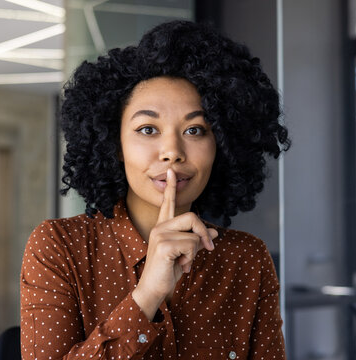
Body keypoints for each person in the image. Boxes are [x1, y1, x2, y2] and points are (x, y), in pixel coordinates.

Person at [20, 20, 290, 359]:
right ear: (113, 144)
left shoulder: (247, 260)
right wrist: (147, 294)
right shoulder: (59, 248)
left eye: (195, 131)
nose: (172, 150)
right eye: (148, 129)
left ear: (222, 143)